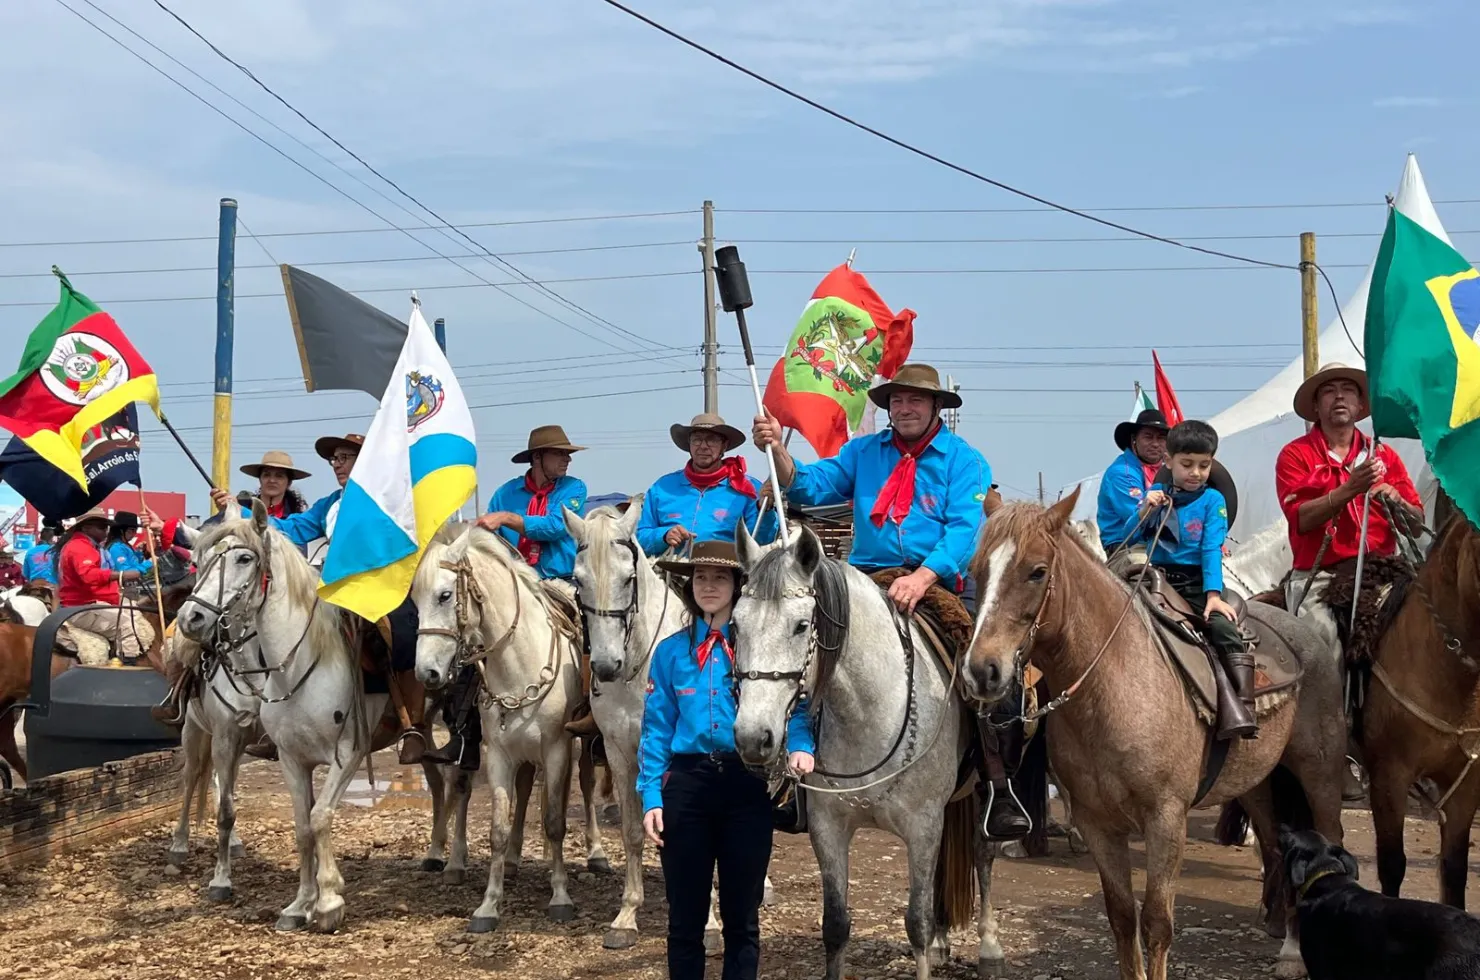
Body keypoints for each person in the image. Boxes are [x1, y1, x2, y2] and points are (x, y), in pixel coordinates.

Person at [754, 363, 1031, 839]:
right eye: (897, 401)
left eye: (915, 401)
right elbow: (807, 485)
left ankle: (997, 785)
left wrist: (924, 577)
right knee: (810, 658)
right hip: (868, 577)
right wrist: (778, 449)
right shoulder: (863, 452)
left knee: (986, 671)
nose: (904, 408)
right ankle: (798, 781)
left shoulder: (966, 461)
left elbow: (965, 530)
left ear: (936, 407)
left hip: (939, 579)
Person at [638, 540, 815, 980]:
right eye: (700, 577)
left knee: (743, 919)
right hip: (687, 787)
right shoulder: (670, 653)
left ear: (738, 585)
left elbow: (793, 698)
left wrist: (801, 744)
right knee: (684, 920)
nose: (709, 586)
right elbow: (656, 729)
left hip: (746, 785)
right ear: (688, 585)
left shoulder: (760, 643)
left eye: (720, 577)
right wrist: (650, 796)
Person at [206, 432, 427, 764]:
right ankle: (278, 725)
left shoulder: (389, 498)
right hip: (334, 591)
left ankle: (414, 725)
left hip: (382, 587)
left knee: (402, 634)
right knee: (276, 630)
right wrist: (240, 511)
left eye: (344, 458)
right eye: (334, 459)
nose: (336, 465)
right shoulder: (330, 503)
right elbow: (293, 527)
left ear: (365, 460)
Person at [426, 425, 591, 767]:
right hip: (515, 585)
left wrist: (506, 518)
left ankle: (591, 709)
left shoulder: (574, 489)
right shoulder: (506, 491)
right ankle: (465, 732)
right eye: (559, 454)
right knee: (474, 644)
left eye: (567, 454)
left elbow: (556, 526)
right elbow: (493, 543)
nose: (566, 460)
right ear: (537, 458)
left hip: (558, 580)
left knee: (593, 629)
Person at [1275, 364, 1423, 654]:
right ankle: (1329, 701)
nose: (1339, 397)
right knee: (1322, 644)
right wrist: (1350, 489)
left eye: (1348, 390)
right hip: (1321, 576)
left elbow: (1416, 524)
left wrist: (1397, 500)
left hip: (1383, 572)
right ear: (1316, 406)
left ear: (1360, 405)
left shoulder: (1384, 455)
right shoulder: (1295, 455)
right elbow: (1300, 519)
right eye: (1329, 391)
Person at [1136, 420, 1257, 740]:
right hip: (1154, 577)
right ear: (1168, 462)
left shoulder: (1213, 502)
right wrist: (1144, 512)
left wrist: (1213, 594)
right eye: (1187, 464)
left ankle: (1245, 703)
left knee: (1222, 628)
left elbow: (1210, 549)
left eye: (1204, 466)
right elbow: (1131, 536)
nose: (1196, 473)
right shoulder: (1156, 496)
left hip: (1194, 582)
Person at [635, 412, 778, 555]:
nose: (703, 446)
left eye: (712, 440)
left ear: (724, 446)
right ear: (689, 445)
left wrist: (764, 509)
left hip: (728, 574)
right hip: (667, 575)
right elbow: (640, 538)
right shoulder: (662, 488)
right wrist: (663, 536)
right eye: (697, 440)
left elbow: (763, 540)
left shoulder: (749, 489)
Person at [53, 508, 154, 660]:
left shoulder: (86, 545)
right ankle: (128, 671)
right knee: (127, 626)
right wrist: (122, 575)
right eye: (101, 527)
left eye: (106, 527)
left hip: (86, 602)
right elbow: (89, 575)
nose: (106, 531)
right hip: (82, 607)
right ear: (86, 527)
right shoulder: (80, 547)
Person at [1096, 408, 1171, 565]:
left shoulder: (1170, 469)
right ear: (1133, 439)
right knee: (1146, 576)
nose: (1155, 444)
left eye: (1161, 438)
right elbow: (1140, 518)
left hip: (1163, 545)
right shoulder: (1121, 473)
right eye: (1148, 437)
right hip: (1125, 549)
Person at [239, 450, 312, 521]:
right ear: (260, 479)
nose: (272, 480)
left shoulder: (296, 520)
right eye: (266, 475)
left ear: (289, 483)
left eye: (279, 476)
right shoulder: (240, 509)